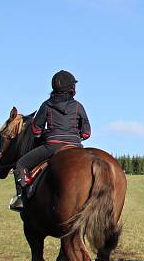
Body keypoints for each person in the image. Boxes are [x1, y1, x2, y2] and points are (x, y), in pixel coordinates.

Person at [10, 70, 91, 211]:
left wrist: (48, 133)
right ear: (72, 89)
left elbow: (35, 130)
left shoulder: (46, 105)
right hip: (75, 147)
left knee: (21, 163)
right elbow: (86, 133)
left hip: (52, 146)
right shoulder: (78, 106)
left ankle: (21, 199)